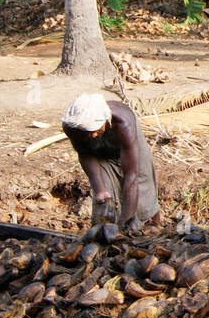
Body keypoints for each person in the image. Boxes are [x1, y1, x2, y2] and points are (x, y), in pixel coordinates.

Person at [61, 94, 161, 233]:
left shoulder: (123, 123)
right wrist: (100, 188)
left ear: (106, 120)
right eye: (89, 131)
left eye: (96, 129)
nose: (94, 135)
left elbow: (131, 177)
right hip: (100, 153)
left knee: (143, 186)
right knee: (104, 201)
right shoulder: (72, 127)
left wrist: (124, 226)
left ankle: (153, 224)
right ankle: (103, 232)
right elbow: (85, 154)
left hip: (127, 147)